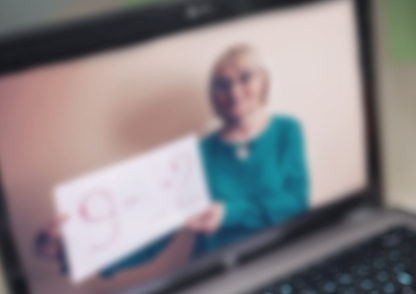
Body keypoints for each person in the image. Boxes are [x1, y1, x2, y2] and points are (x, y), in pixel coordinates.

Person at [36, 43, 309, 276]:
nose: (234, 91)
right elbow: (154, 233)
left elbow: (297, 202)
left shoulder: (287, 130)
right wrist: (78, 250)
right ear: (214, 95)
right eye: (222, 84)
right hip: (215, 276)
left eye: (245, 77)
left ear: (264, 82)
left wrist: (228, 213)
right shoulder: (197, 154)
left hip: (281, 263)